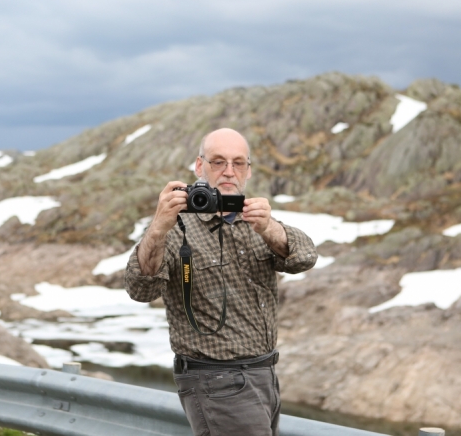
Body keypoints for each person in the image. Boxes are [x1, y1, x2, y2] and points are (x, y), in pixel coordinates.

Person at [125, 128, 318, 436]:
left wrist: (269, 228)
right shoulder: (177, 225)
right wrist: (159, 228)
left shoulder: (254, 220)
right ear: (199, 167)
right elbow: (140, 289)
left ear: (249, 170)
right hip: (215, 380)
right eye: (218, 162)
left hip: (264, 373)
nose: (229, 171)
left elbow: (305, 257)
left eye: (238, 163)